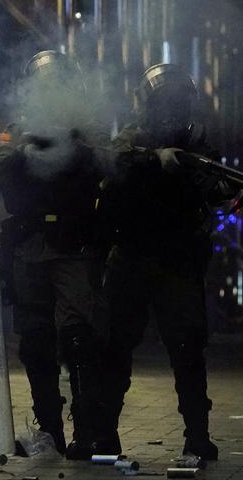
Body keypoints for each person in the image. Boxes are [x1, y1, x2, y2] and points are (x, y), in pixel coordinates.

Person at [96, 64, 236, 460]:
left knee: (188, 348)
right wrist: (156, 159)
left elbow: (212, 190)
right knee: (115, 347)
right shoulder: (131, 141)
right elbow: (114, 164)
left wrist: (220, 189)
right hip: (133, 256)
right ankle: (104, 434)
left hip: (176, 260)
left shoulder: (199, 150)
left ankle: (197, 435)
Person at [0, 50, 109, 459]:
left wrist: (72, 145)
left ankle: (87, 431)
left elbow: (111, 165)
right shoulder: (21, 128)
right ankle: (50, 431)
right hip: (31, 244)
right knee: (36, 341)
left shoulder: (86, 127)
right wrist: (26, 149)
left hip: (74, 245)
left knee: (78, 336)